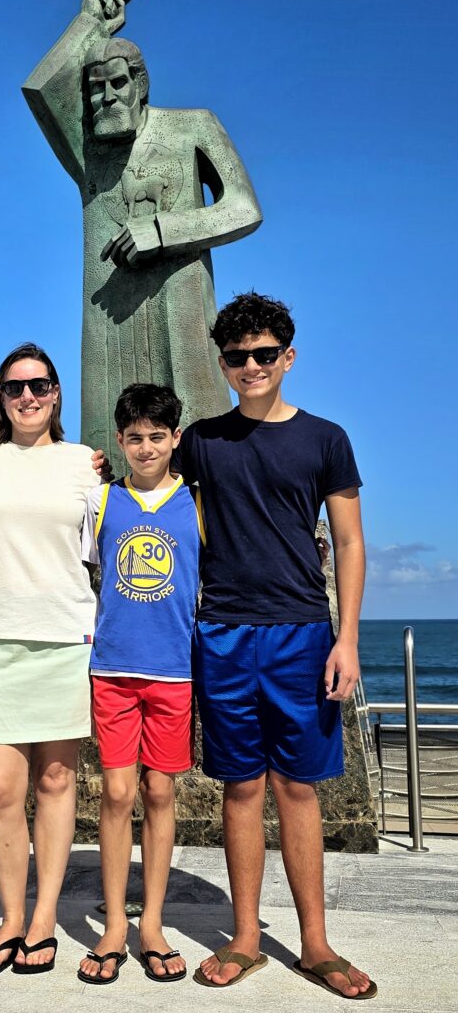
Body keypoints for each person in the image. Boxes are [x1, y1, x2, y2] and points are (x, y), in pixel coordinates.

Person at [179, 292, 377, 999]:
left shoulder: (325, 438)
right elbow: (149, 492)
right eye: (237, 357)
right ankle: (242, 938)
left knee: (297, 788)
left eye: (265, 354)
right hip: (222, 633)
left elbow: (349, 542)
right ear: (223, 364)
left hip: (301, 632)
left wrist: (345, 639)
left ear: (287, 358)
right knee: (240, 788)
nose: (252, 366)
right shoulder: (200, 439)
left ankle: (315, 943)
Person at [23, 0, 262, 473]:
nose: (105, 98)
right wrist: (92, 20)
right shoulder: (90, 151)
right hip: (110, 324)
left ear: (141, 85)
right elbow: (42, 89)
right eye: (94, 89)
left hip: (181, 312)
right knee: (108, 459)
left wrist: (162, 229)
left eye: (117, 85)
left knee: (200, 447)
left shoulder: (193, 127)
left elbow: (243, 207)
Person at [0, 343, 100, 975]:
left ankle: (44, 919)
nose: (27, 397)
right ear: (0, 396)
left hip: (66, 638)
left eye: (39, 386)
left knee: (56, 781)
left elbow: (109, 552)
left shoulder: (84, 465)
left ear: (57, 394)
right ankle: (11, 917)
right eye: (15, 388)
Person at [77, 383, 202, 985]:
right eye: (135, 438)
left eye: (157, 437)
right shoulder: (103, 501)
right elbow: (83, 580)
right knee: (118, 794)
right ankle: (115, 928)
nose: (146, 447)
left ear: (175, 439)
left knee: (159, 794)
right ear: (120, 441)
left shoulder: (197, 504)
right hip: (114, 672)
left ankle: (151, 922)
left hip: (175, 673)